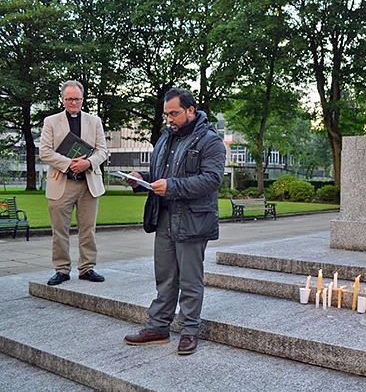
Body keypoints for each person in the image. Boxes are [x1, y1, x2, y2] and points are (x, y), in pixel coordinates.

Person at [123, 88, 226, 356]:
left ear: (190, 110)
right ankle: (158, 327)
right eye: (166, 113)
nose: (169, 119)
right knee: (165, 278)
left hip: (193, 220)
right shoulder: (166, 138)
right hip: (165, 217)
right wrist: (141, 178)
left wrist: (172, 186)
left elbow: (212, 180)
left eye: (174, 113)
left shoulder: (209, 141)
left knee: (190, 280)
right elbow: (161, 174)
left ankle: (190, 331)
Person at [39, 80, 109, 286]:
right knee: (59, 230)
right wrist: (70, 164)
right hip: (62, 181)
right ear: (62, 100)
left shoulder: (94, 121)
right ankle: (61, 269)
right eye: (69, 99)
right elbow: (45, 152)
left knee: (88, 229)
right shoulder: (51, 121)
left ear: (82, 99)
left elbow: (102, 150)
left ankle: (87, 268)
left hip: (89, 183)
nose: (73, 102)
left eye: (77, 99)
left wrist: (87, 162)